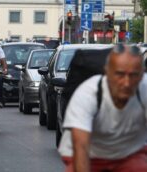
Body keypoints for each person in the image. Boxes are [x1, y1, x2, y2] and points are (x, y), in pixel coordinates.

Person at [58, 44, 147, 172]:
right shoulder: (88, 93)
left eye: (133, 75)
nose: (126, 83)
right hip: (89, 154)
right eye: (120, 74)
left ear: (141, 76)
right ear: (107, 72)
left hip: (128, 154)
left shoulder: (144, 89)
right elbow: (81, 146)